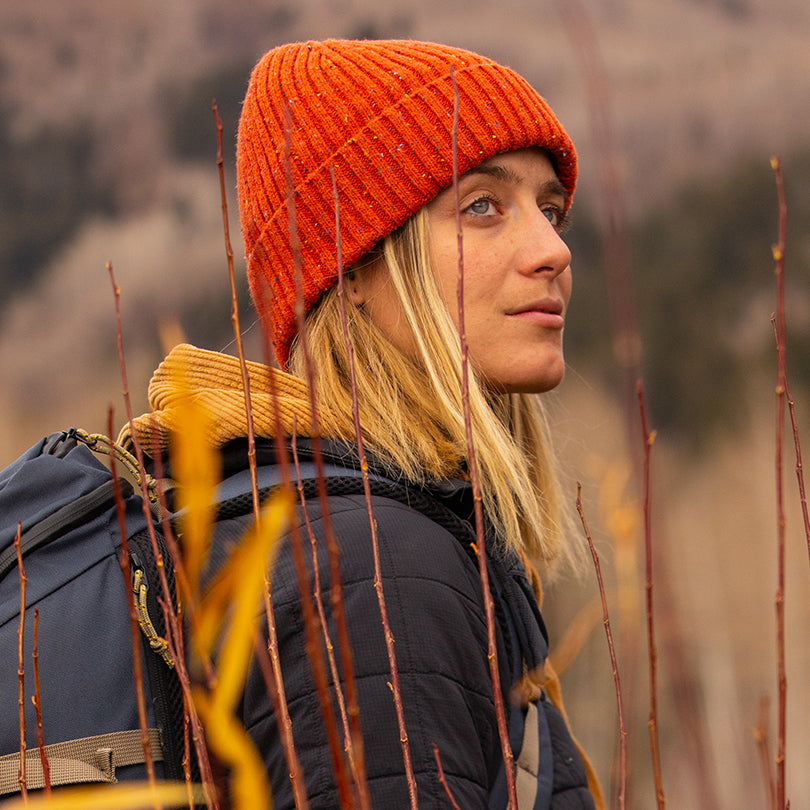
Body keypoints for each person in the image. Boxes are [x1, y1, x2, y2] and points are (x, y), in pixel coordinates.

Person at [123, 38, 604, 809]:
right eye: (483, 206)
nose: (553, 249)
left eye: (550, 210)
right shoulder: (377, 570)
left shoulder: (334, 532)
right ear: (350, 272)